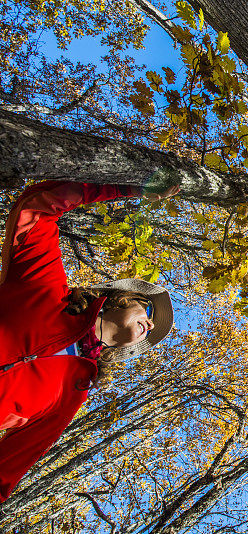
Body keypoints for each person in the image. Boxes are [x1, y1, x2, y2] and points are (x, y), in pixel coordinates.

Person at [0, 179, 178, 502]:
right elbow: (37, 209)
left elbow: (10, 464)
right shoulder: (49, 288)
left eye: (151, 331)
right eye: (149, 310)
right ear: (123, 297)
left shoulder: (74, 393)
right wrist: (134, 188)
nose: (150, 324)